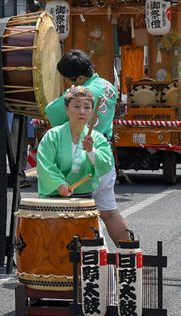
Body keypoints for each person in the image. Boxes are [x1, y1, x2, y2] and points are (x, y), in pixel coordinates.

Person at [44, 50, 133, 244]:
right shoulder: (109, 86)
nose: (69, 84)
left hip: (82, 156)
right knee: (110, 213)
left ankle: (84, 265)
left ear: (81, 77)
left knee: (77, 215)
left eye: (69, 80)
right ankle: (131, 257)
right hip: (104, 152)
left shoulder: (80, 95)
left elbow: (51, 112)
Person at [36, 86, 113, 197]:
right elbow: (45, 164)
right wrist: (59, 184)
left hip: (83, 197)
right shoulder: (53, 136)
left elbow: (106, 164)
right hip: (54, 194)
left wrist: (91, 151)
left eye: (87, 107)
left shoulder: (98, 138)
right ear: (66, 109)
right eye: (77, 106)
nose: (82, 112)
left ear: (92, 112)